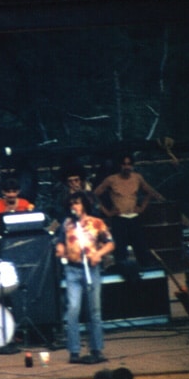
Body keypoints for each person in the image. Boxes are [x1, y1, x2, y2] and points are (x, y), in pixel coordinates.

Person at [55, 191, 115, 364]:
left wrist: (98, 254)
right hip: (73, 270)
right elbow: (60, 241)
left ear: (85, 205)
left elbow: (110, 243)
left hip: (92, 269)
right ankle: (74, 351)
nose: (75, 206)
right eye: (72, 204)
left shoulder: (96, 223)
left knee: (94, 310)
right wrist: (60, 249)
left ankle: (97, 349)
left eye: (78, 203)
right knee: (73, 309)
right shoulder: (67, 224)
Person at [93, 153, 165, 268]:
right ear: (120, 165)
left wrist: (142, 207)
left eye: (129, 164)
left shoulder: (137, 178)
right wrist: (107, 212)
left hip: (134, 218)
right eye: (124, 164)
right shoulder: (111, 180)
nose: (126, 167)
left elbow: (150, 192)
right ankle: (123, 274)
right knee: (120, 251)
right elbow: (93, 196)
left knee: (141, 248)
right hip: (119, 219)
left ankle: (145, 274)